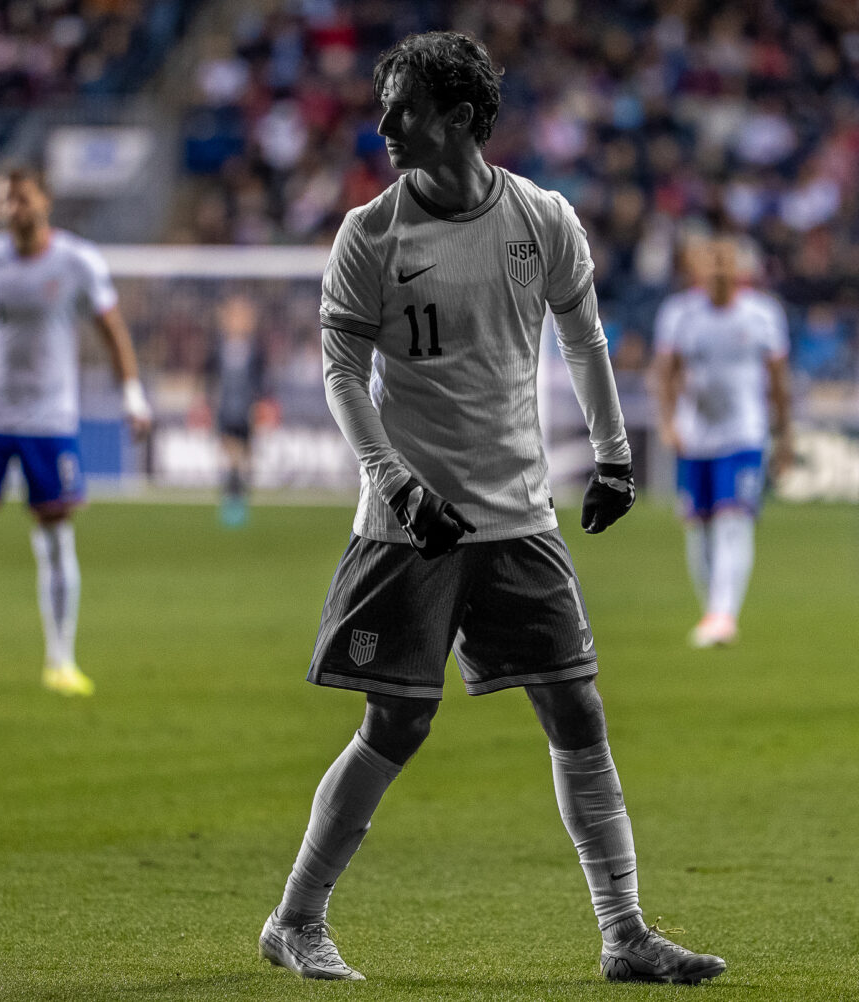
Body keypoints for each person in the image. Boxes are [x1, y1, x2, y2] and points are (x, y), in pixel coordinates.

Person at [258, 31, 725, 986]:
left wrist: (614, 455)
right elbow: (342, 373)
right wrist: (395, 481)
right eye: (384, 106)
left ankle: (625, 934)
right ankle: (294, 921)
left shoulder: (542, 218)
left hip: (518, 514)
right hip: (409, 524)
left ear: (461, 118)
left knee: (577, 706)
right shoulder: (370, 234)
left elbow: (585, 339)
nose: (383, 125)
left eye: (404, 109)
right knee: (397, 725)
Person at [0, 163, 152, 696]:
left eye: (21, 198)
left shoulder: (78, 262)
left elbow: (112, 330)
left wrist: (132, 395)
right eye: (5, 200)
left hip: (50, 421)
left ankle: (60, 661)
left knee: (56, 541)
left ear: (44, 201)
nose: (12, 208)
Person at [653, 235, 792, 648]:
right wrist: (668, 422)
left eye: (725, 263)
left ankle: (723, 614)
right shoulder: (679, 314)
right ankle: (713, 611)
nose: (718, 271)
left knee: (734, 520)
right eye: (710, 263)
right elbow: (666, 372)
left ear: (740, 270)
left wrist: (784, 433)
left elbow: (779, 380)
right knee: (699, 528)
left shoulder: (762, 314)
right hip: (696, 437)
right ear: (697, 270)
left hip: (744, 434)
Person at [203, 292, 267, 526]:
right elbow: (210, 378)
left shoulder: (254, 350)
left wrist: (259, 406)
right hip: (226, 409)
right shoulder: (219, 349)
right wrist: (209, 403)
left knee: (245, 458)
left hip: (246, 410)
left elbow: (260, 381)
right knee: (229, 455)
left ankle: (241, 499)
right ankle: (230, 500)